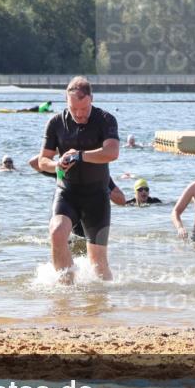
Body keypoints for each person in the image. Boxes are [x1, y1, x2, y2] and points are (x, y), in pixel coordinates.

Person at [38, 77, 120, 282]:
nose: (79, 114)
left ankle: (100, 307)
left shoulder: (105, 119)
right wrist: (56, 165)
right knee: (57, 233)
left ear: (91, 99)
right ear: (66, 101)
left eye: (83, 108)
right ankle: (66, 290)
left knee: (99, 268)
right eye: (73, 108)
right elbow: (42, 161)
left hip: (97, 197)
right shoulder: (56, 122)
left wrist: (80, 155)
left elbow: (112, 152)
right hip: (67, 192)